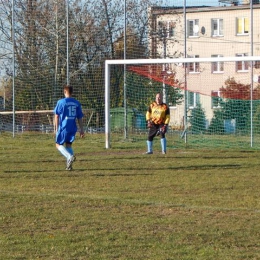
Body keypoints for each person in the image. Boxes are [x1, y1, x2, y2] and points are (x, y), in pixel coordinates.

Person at [54, 85, 84, 170]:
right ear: (72, 92)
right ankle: (69, 166)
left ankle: (69, 156)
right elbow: (79, 117)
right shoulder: (76, 103)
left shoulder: (61, 102)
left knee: (58, 144)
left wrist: (56, 129)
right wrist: (81, 129)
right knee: (68, 145)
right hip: (73, 127)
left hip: (64, 127)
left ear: (65, 92)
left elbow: (56, 116)